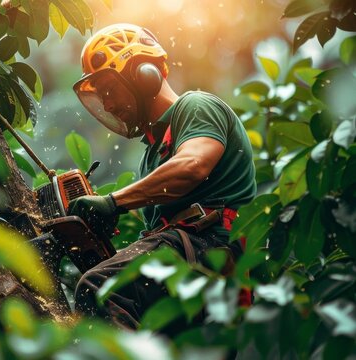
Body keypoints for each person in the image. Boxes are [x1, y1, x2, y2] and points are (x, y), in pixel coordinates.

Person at [68, 23, 257, 330]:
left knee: (101, 289)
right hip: (191, 264)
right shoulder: (151, 156)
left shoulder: (196, 106)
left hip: (210, 248)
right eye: (102, 97)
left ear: (143, 73)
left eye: (110, 90)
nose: (109, 105)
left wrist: (114, 202)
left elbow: (192, 165)